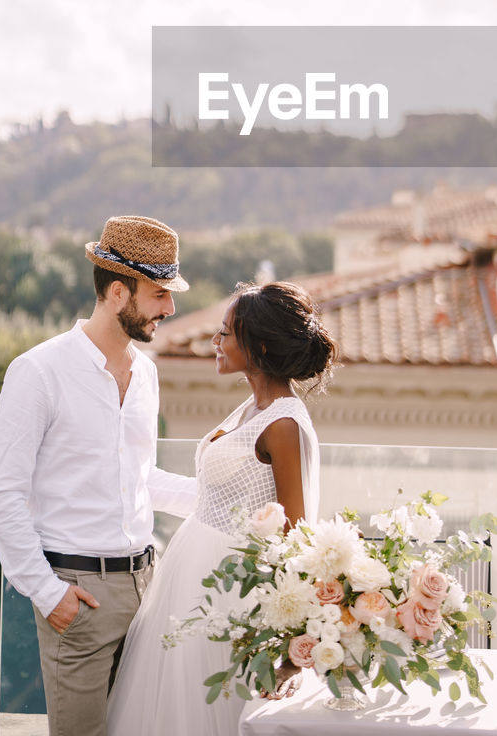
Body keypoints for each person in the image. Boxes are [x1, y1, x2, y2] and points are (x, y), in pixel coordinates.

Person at [0, 215, 197, 736]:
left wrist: (224, 499)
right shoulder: (38, 372)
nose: (170, 308)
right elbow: (2, 493)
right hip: (78, 594)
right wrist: (45, 591)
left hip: (148, 587)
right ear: (118, 293)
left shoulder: (145, 373)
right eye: (159, 294)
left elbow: (139, 478)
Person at [106, 280, 337, 736]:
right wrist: (123, 479)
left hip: (232, 593)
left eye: (227, 332)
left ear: (260, 344)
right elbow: (216, 496)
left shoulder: (285, 423)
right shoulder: (252, 407)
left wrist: (290, 643)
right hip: (192, 574)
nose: (216, 340)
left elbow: (297, 536)